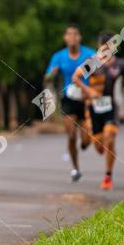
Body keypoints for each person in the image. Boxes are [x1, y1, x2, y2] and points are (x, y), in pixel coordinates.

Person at [72, 32, 124, 190]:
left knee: (110, 138)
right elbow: (76, 78)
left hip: (111, 108)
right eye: (104, 46)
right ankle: (97, 143)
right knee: (100, 146)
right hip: (93, 109)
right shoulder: (93, 63)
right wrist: (89, 91)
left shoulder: (120, 65)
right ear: (99, 46)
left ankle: (108, 176)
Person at [45, 24, 97, 182]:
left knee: (86, 141)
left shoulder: (89, 54)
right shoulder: (59, 56)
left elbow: (98, 76)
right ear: (65, 38)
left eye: (76, 34)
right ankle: (75, 168)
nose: (73, 37)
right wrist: (51, 75)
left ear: (80, 37)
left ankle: (84, 142)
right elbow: (47, 78)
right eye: (69, 34)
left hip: (86, 99)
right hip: (68, 99)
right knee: (71, 135)